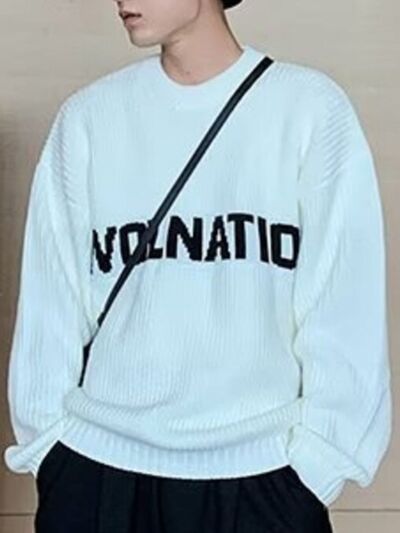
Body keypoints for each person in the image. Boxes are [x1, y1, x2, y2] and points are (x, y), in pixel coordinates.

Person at [3, 1, 392, 531]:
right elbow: (52, 303)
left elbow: (344, 308)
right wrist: (52, 452)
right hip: (98, 476)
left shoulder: (308, 109)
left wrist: (315, 469)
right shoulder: (90, 117)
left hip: (262, 480)